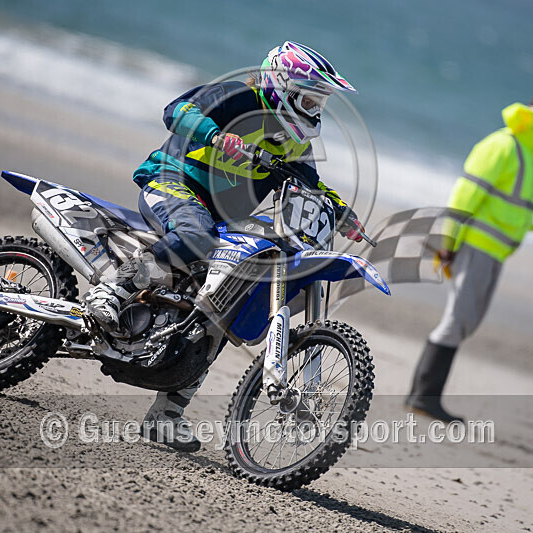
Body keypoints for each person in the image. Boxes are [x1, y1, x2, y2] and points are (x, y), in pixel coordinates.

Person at [85, 41, 366, 451]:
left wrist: (341, 212)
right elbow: (176, 111)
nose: (315, 107)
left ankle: (166, 414)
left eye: (320, 100)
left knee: (222, 304)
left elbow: (309, 183)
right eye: (310, 96)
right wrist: (217, 137)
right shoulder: (238, 98)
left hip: (221, 218)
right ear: (282, 87)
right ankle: (113, 289)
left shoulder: (295, 141)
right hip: (172, 182)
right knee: (195, 236)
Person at [405, 91, 533, 422]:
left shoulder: (531, 156)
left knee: (467, 321)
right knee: (458, 318)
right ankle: (424, 396)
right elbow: (467, 194)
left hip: (495, 254)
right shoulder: (503, 145)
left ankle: (423, 396)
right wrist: (448, 240)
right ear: (531, 111)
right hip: (475, 246)